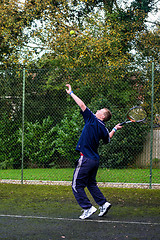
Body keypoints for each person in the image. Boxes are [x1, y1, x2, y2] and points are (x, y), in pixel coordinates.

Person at [65, 84, 122, 220]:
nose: (96, 110)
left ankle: (87, 207)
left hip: (86, 159)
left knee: (76, 185)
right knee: (90, 184)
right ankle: (103, 203)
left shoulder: (92, 119)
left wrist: (71, 92)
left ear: (102, 116)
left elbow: (82, 105)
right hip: (94, 161)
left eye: (100, 110)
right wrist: (114, 128)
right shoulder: (103, 128)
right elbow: (107, 138)